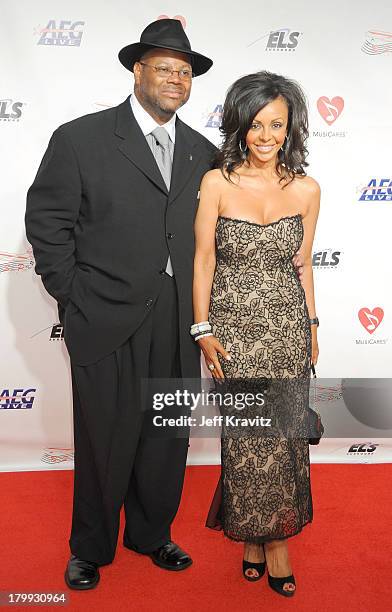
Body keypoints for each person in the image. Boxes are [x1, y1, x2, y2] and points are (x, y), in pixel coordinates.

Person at [25, 18, 216, 589]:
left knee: (166, 435)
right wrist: (74, 295)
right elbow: (48, 224)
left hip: (178, 320)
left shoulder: (203, 153)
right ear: (137, 70)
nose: (175, 79)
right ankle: (91, 546)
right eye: (163, 67)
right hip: (104, 314)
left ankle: (152, 534)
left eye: (184, 72)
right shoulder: (80, 137)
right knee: (105, 438)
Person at [193, 71, 320, 597]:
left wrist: (312, 326)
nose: (266, 136)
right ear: (239, 125)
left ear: (290, 129)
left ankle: (263, 543)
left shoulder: (308, 189)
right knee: (246, 441)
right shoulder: (217, 182)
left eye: (277, 124)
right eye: (256, 125)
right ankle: (267, 541)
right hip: (234, 333)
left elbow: (304, 264)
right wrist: (202, 328)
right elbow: (203, 259)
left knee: (284, 439)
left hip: (288, 330)